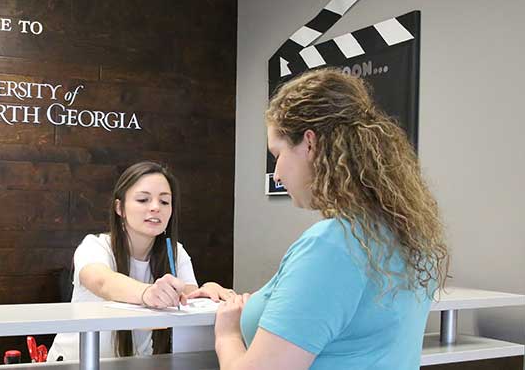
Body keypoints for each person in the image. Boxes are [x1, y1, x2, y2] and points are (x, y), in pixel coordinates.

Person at [213, 68, 450, 369]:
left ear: (309, 144)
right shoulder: (410, 237)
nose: (277, 173)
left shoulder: (332, 245)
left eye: (277, 154)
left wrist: (227, 336)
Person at [48, 161, 235, 361]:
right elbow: (104, 282)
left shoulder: (175, 252)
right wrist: (147, 293)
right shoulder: (95, 246)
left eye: (164, 202)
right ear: (120, 208)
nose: (155, 207)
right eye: (143, 200)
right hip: (77, 362)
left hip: (137, 363)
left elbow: (188, 297)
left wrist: (207, 293)